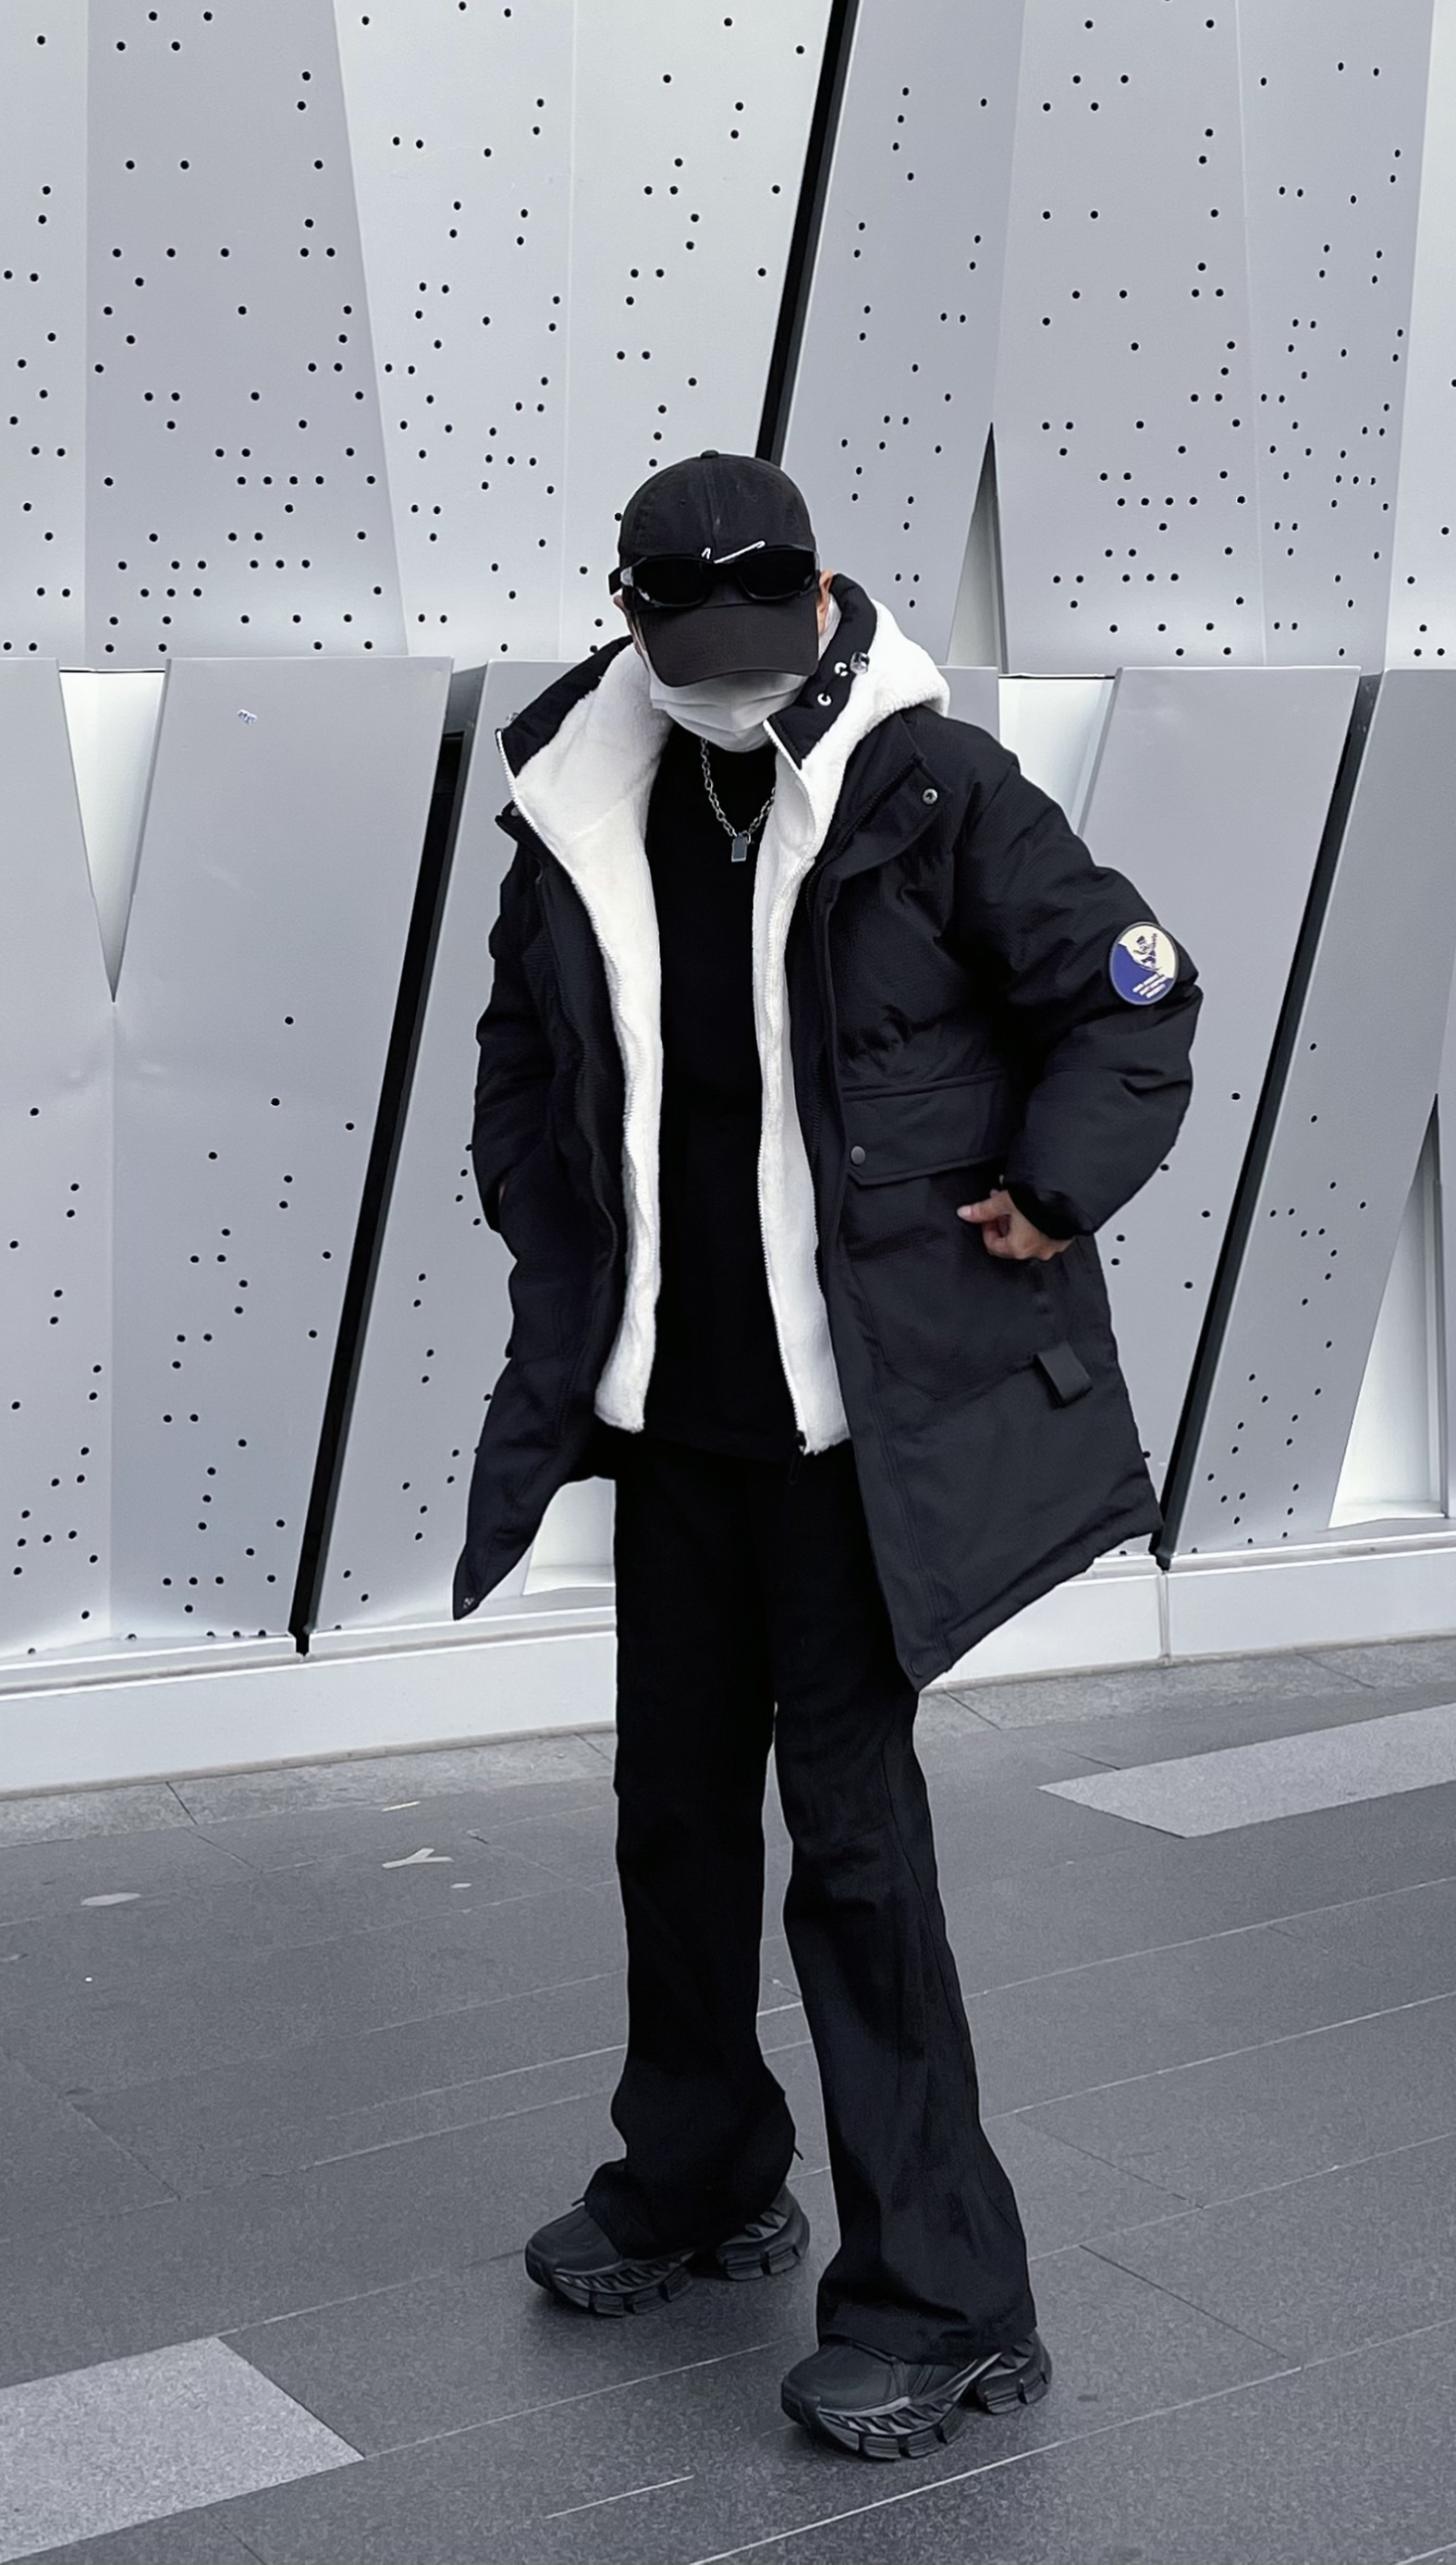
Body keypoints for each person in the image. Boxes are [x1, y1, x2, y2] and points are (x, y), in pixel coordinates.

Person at [452, 450, 1200, 2461]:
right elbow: (522, 1046)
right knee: (672, 1814)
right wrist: (535, 1206)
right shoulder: (584, 794)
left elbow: (1134, 999)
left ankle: (950, 2299)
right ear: (633, 622)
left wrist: (1054, 1185)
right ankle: (700, 2171)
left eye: (758, 641)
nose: (730, 679)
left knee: (852, 1852)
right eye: (691, 648)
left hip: (850, 1431)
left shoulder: (933, 788)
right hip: (672, 1411)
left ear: (822, 592)